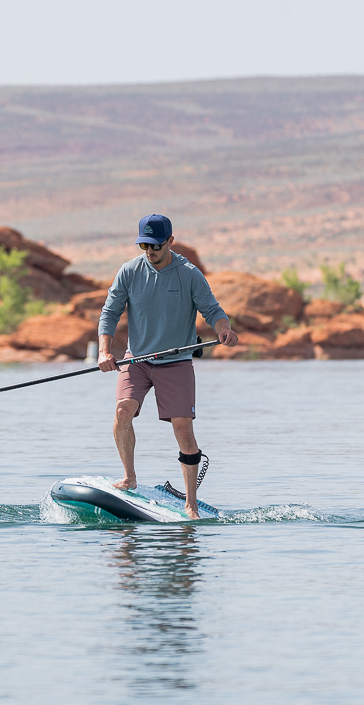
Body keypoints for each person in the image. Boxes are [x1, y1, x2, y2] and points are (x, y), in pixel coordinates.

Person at [97, 214, 238, 519]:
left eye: (156, 245)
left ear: (170, 242)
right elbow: (109, 313)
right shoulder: (129, 272)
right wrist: (104, 351)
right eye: (144, 245)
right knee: (123, 410)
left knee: (183, 430)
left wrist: (223, 329)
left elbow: (213, 309)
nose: (149, 250)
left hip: (176, 362)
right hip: (137, 360)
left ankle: (191, 503)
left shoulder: (188, 273)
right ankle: (129, 477)